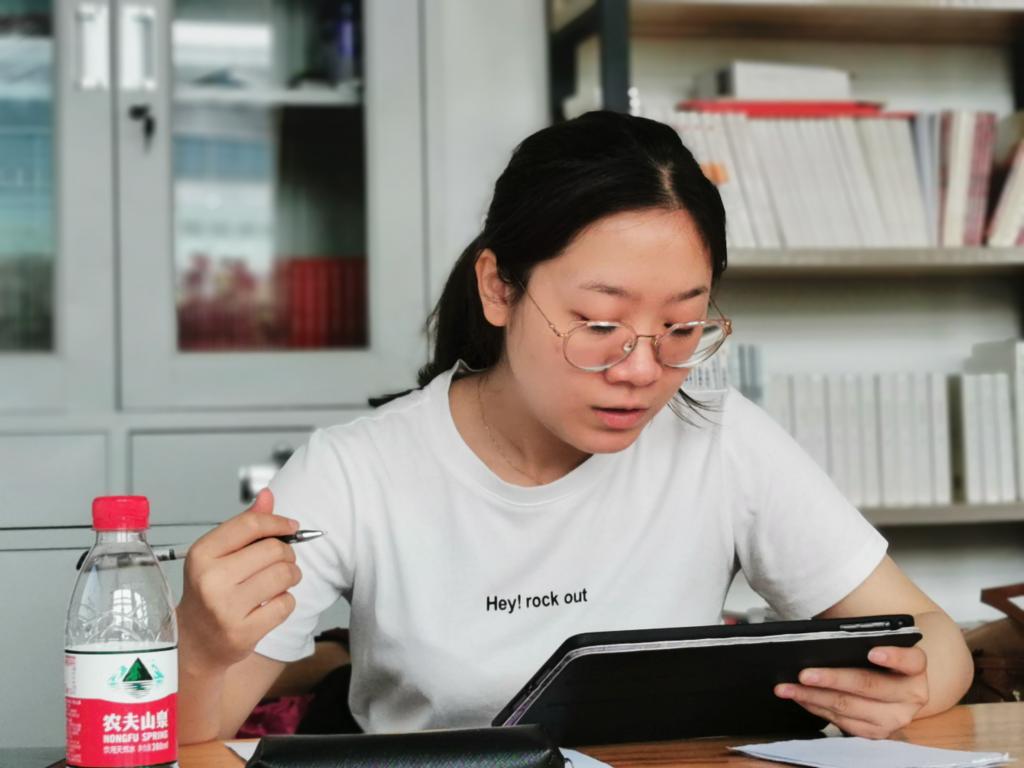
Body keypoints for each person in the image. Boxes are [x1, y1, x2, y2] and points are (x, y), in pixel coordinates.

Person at [177, 111, 973, 744]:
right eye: (598, 324)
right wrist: (202, 645)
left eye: (682, 328)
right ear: (499, 288)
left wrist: (911, 688)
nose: (641, 368)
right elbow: (188, 732)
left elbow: (939, 638)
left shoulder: (722, 440)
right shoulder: (355, 472)